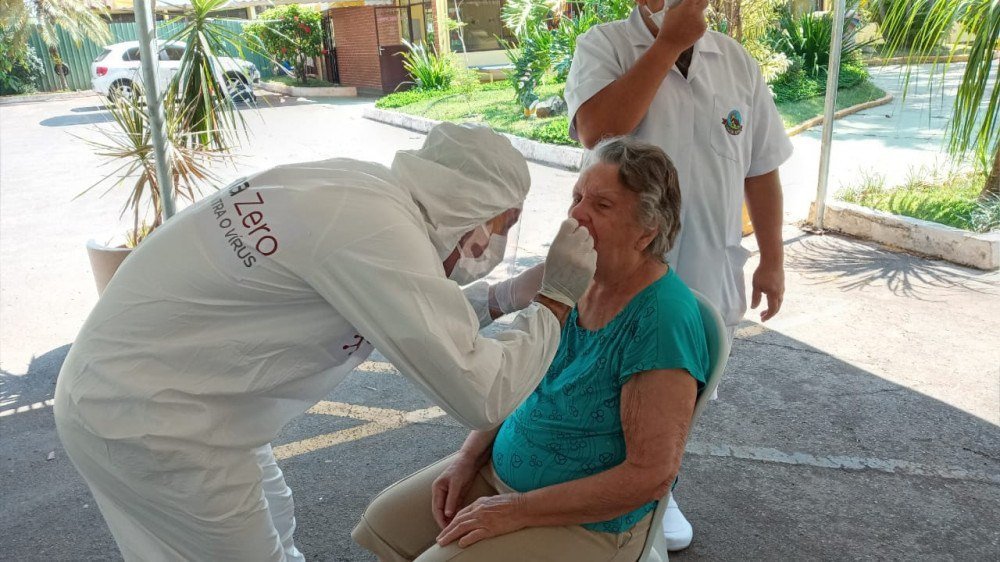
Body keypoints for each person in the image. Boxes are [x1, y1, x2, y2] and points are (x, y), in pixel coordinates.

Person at [53, 123, 597, 562]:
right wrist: (555, 301)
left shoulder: (360, 190)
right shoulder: (379, 232)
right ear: (468, 209)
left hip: (158, 397)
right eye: (501, 225)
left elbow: (404, 310)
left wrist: (505, 296)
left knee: (276, 519)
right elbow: (483, 392)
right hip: (155, 422)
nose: (495, 243)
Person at [352, 137, 709, 562]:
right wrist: (467, 458)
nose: (577, 213)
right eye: (577, 197)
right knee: (385, 524)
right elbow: (514, 376)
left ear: (647, 230)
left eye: (602, 205)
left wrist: (517, 511)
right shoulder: (574, 277)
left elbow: (650, 475)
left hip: (583, 520)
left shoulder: (662, 319)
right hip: (503, 477)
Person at [564, 0, 794, 550]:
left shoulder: (737, 62)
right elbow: (598, 131)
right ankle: (601, 492)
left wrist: (773, 258)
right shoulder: (606, 45)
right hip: (621, 272)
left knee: (683, 390)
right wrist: (667, 44)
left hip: (710, 267)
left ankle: (658, 487)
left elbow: (761, 170)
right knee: (609, 383)